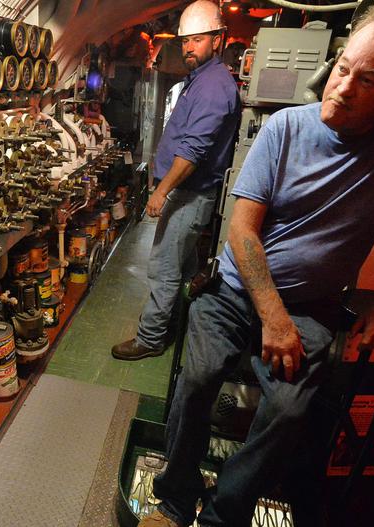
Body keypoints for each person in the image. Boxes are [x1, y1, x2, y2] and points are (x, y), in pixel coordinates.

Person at [128, 3, 374, 527]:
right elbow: (243, 229)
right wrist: (271, 317)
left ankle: (222, 520)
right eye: (342, 68)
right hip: (235, 293)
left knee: (287, 409)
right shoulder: (286, 128)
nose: (344, 87)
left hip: (311, 306)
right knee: (198, 377)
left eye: (368, 79)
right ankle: (176, 498)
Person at [111, 0, 241, 361]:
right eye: (185, 41)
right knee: (184, 268)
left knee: (164, 269)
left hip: (189, 194)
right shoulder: (200, 80)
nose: (188, 47)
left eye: (197, 40)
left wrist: (161, 191)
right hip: (186, 192)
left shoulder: (214, 86)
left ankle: (151, 339)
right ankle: (182, 323)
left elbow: (194, 150)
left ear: (217, 40)